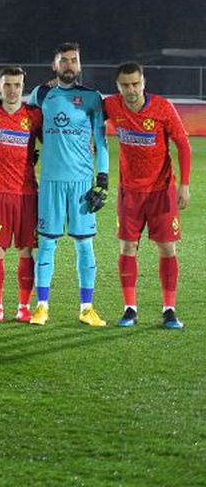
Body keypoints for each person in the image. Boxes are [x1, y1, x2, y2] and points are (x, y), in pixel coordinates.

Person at [25, 43, 109, 328]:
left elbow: (101, 141)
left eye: (74, 60)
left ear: (80, 65)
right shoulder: (41, 94)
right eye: (64, 61)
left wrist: (103, 179)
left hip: (82, 183)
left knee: (85, 245)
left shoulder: (92, 98)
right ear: (54, 65)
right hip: (50, 182)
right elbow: (22, 118)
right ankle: (42, 307)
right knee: (47, 243)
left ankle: (87, 308)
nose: (69, 65)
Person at [105, 62, 191, 330]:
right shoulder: (111, 106)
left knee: (166, 248)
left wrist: (184, 185)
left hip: (161, 191)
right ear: (118, 86)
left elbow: (183, 145)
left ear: (144, 82)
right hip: (129, 192)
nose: (131, 90)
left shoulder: (163, 108)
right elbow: (84, 111)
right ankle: (130, 308)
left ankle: (169, 310)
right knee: (127, 247)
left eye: (135, 84)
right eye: (125, 85)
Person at [0, 67, 43, 323]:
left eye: (17, 85)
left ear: (23, 86)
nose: (12, 89)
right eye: (7, 84)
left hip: (27, 192)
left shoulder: (34, 116)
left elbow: (53, 141)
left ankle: (23, 307)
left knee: (26, 251)